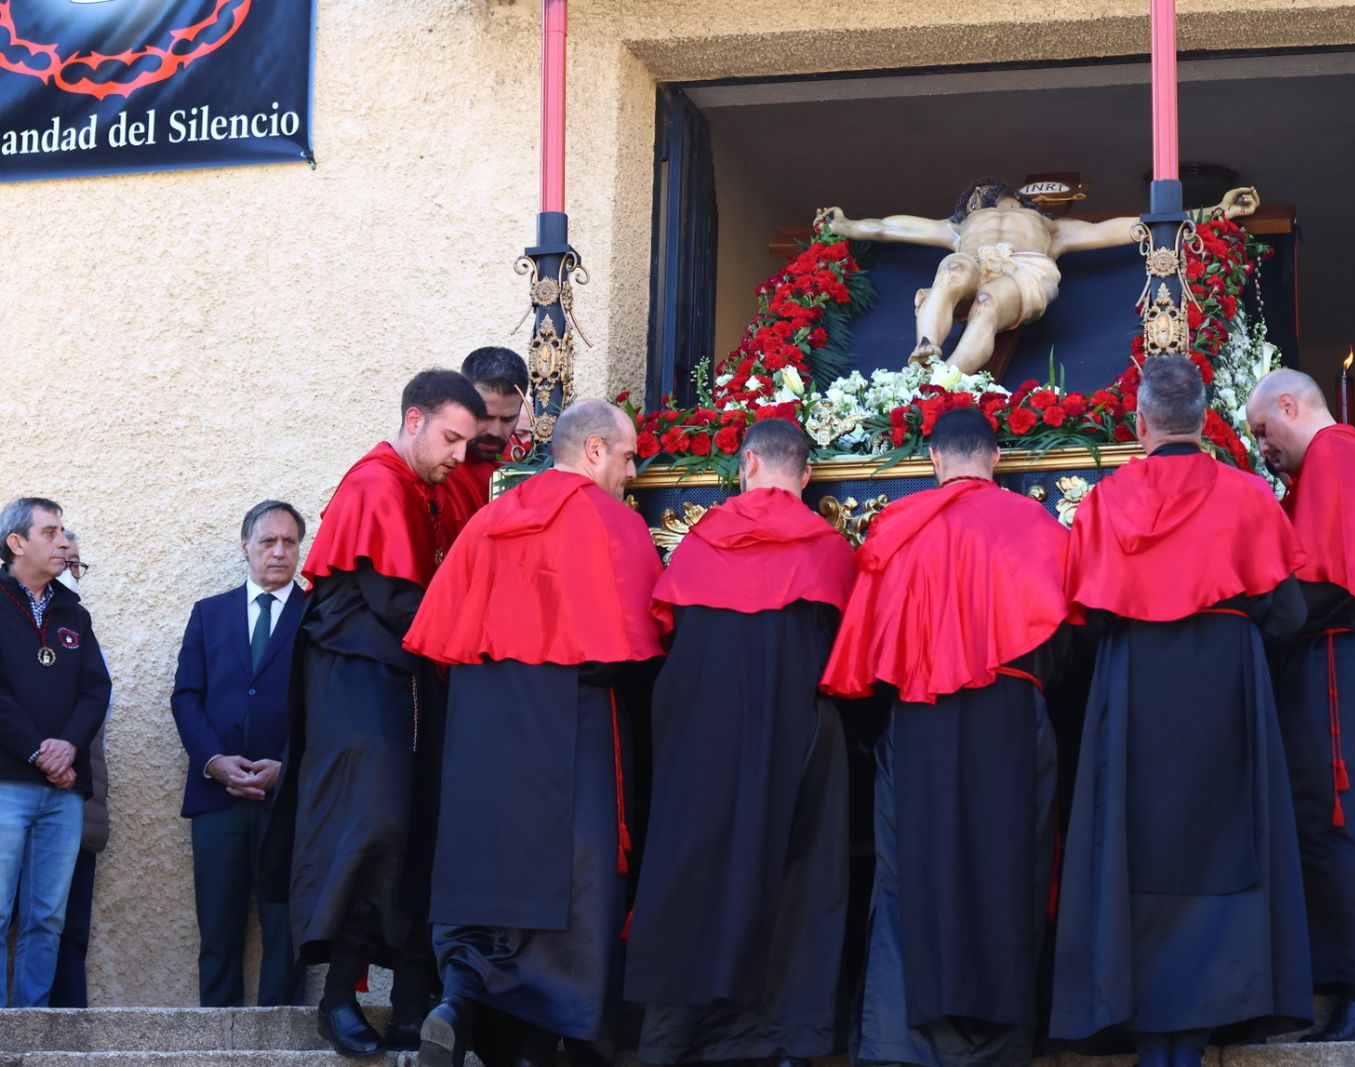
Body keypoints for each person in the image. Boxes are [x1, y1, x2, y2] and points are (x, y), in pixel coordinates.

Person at [1048, 357, 1314, 1067]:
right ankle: (1195, 1033)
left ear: (1141, 424)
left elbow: (1086, 621)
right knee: (1224, 843)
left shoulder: (1104, 502)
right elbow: (1288, 615)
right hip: (1225, 684)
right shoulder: (1249, 495)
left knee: (1129, 844)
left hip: (1134, 687)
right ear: (1203, 421)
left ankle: (1145, 1032)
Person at [403, 399, 666, 1067]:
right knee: (575, 880)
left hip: (482, 729)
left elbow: (443, 644)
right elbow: (638, 647)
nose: (632, 473)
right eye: (628, 456)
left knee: (485, 872)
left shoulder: (489, 519)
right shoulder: (612, 521)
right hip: (572, 722)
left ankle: (457, 1002)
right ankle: (557, 1038)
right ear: (595, 451)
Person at [820, 408, 1072, 1067]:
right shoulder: (1038, 526)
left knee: (909, 873)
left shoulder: (898, 529)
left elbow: (867, 651)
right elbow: (1064, 641)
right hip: (1013, 716)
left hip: (919, 721)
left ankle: (899, 1041)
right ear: (997, 457)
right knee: (1011, 867)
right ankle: (1001, 1043)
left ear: (933, 458)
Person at [626, 418, 857, 1066]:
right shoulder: (826, 547)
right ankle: (787, 1037)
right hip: (795, 731)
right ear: (806, 474)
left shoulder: (699, 543)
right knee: (801, 877)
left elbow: (664, 630)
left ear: (745, 464)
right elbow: (848, 647)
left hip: (701, 735)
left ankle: (671, 1039)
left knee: (689, 872)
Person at [272, 369, 487, 1057]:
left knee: (417, 828)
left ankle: (410, 1003)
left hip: (406, 680)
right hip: (358, 685)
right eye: (451, 438)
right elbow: (398, 602)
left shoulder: (424, 488)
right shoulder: (376, 484)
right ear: (414, 419)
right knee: (371, 825)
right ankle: (337, 998)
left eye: (469, 442)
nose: (460, 454)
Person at [1245, 368, 1355, 1042]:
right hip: (1343, 659)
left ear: (1290, 406)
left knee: (1330, 814)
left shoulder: (1335, 454)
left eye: (1264, 430)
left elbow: (1331, 581)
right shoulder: (1343, 456)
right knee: (1332, 817)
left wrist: (1251, 612)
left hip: (1335, 665)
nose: (1263, 447)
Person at [820, 181, 1258, 372]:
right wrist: (842, 225)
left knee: (987, 304)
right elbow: (887, 227)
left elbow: (1129, 227)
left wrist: (1213, 211)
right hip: (972, 261)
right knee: (953, 269)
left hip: (1024, 268)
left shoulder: (1053, 228)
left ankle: (945, 379)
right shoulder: (957, 226)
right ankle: (925, 349)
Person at [170, 501, 308, 1008]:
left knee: (286, 931)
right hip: (217, 796)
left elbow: (329, 705)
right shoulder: (209, 613)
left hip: (289, 798)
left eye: (289, 541)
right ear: (246, 545)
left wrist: (287, 766)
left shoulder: (318, 615)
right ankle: (216, 1040)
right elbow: (186, 696)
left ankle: (280, 1040)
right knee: (218, 931)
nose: (279, 551)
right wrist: (214, 760)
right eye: (268, 540)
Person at [0, 498, 111, 1007]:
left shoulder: (75, 614)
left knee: (47, 917)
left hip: (64, 793)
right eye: (50, 532)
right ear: (16, 542)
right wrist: (37, 752)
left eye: (64, 531)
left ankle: (32, 1027)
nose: (64, 541)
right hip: (7, 784)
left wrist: (68, 746)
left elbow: (96, 688)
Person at [47, 531, 109, 1008]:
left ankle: (68, 1031)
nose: (69, 574)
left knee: (70, 932)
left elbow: (94, 712)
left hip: (78, 808)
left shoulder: (82, 634)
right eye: (61, 561)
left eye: (76, 566)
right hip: (18, 799)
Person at [439, 346, 529, 538]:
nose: (495, 431)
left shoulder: (525, 459)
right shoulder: (435, 463)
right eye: (485, 416)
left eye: (507, 419)